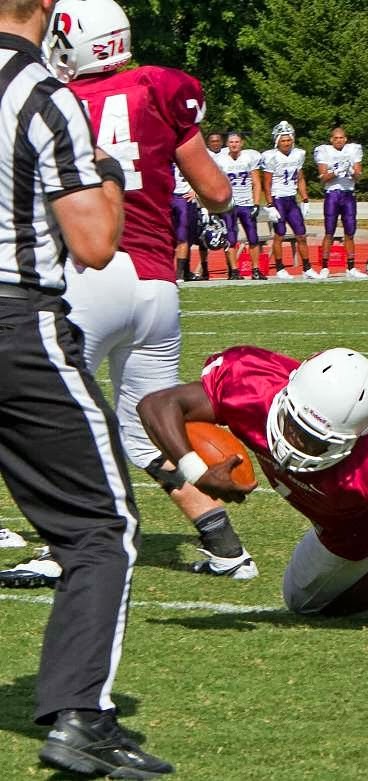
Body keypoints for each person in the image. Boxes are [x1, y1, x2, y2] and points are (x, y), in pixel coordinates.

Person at [0, 0, 173, 776]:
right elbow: (96, 244)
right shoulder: (42, 92)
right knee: (101, 527)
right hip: (15, 326)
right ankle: (81, 714)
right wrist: (108, 175)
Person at [40, 0, 258, 589]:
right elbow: (216, 193)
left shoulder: (55, 100)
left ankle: (66, 544)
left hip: (91, 273)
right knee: (146, 430)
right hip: (157, 284)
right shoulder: (161, 89)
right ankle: (225, 544)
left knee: (50, 413)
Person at [137, 346, 368, 633]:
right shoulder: (251, 384)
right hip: (334, 503)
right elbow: (156, 404)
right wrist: (196, 470)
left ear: (352, 439)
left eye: (315, 441)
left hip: (358, 523)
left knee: (303, 601)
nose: (295, 444)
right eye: (294, 426)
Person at [260, 120, 312, 279]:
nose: (287, 143)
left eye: (289, 139)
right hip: (278, 199)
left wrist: (305, 199)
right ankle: (280, 268)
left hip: (291, 199)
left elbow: (300, 179)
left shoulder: (298, 154)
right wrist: (270, 204)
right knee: (279, 234)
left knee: (301, 234)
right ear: (277, 141)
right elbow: (266, 183)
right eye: (283, 140)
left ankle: (307, 268)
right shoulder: (271, 157)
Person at [314, 126, 363, 279]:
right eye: (336, 138)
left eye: (341, 137)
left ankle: (351, 267)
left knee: (350, 232)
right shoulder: (324, 151)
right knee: (329, 232)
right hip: (332, 194)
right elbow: (322, 178)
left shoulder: (353, 150)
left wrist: (351, 172)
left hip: (348, 193)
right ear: (331, 139)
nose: (339, 140)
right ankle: (324, 267)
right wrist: (335, 172)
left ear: (346, 139)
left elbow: (359, 176)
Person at [220, 131, 265, 280]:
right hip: (229, 204)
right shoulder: (220, 160)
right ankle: (233, 271)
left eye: (237, 142)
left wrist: (256, 203)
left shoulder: (249, 158)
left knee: (253, 238)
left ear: (242, 143)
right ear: (227, 144)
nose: (234, 144)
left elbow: (257, 183)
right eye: (231, 142)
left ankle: (256, 270)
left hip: (246, 203)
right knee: (231, 239)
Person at [194, 130, 226, 279]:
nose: (215, 144)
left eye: (218, 141)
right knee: (203, 237)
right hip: (206, 202)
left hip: (223, 201)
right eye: (212, 141)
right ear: (208, 143)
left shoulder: (227, 155)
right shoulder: (203, 156)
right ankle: (204, 269)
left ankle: (232, 270)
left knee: (227, 235)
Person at [172, 163, 202, 281]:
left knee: (185, 236)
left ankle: (181, 272)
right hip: (169, 197)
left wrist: (196, 190)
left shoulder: (186, 154)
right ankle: (179, 272)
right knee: (172, 236)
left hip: (184, 198)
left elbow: (202, 173)